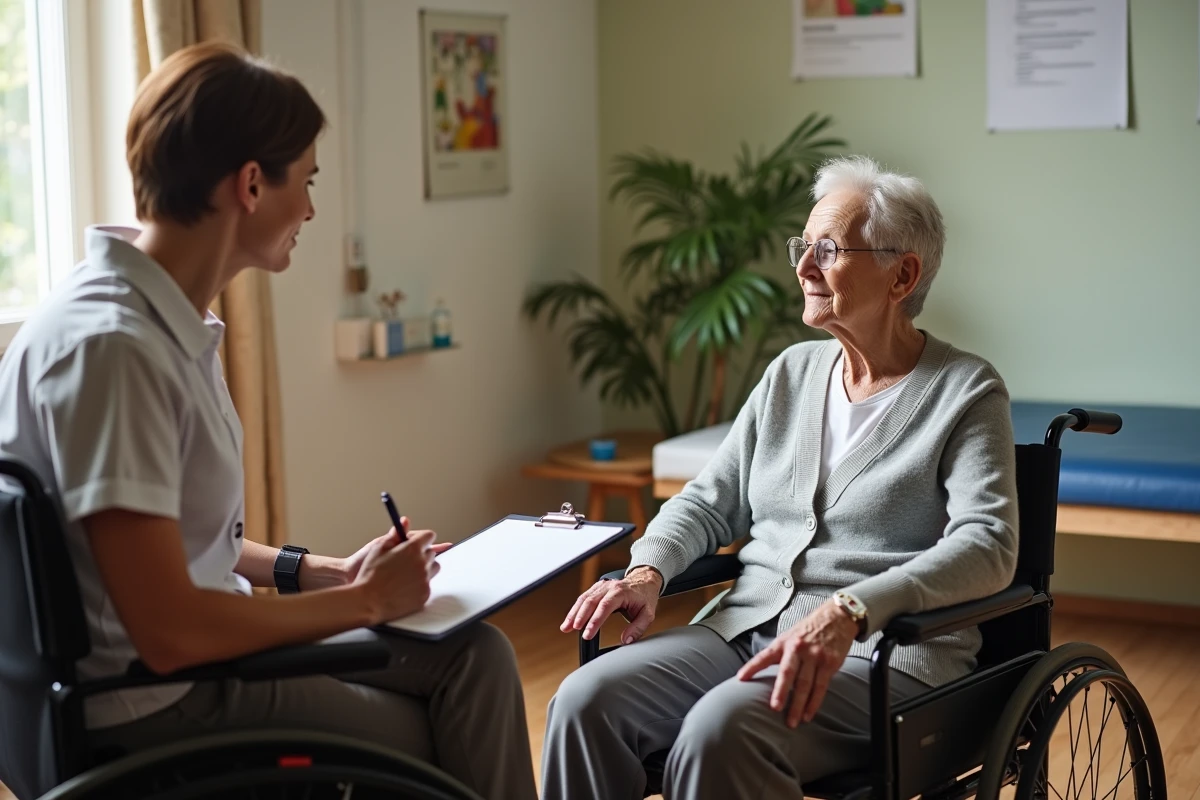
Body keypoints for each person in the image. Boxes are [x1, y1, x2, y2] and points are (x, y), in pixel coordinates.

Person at [0, 42, 536, 799]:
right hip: (158, 702)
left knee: (474, 656)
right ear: (251, 184)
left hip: (181, 665)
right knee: (444, 733)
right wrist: (366, 602)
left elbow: (172, 540)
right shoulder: (113, 352)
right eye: (307, 181)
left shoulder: (153, 317)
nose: (311, 209)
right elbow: (170, 630)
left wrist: (314, 571)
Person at [541, 155, 1019, 800]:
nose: (802, 268)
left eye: (828, 249)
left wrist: (853, 610)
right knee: (584, 699)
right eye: (803, 246)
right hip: (746, 628)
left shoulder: (966, 391)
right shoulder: (792, 373)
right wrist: (647, 570)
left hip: (882, 657)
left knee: (721, 729)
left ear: (901, 274)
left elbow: (988, 546)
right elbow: (710, 501)